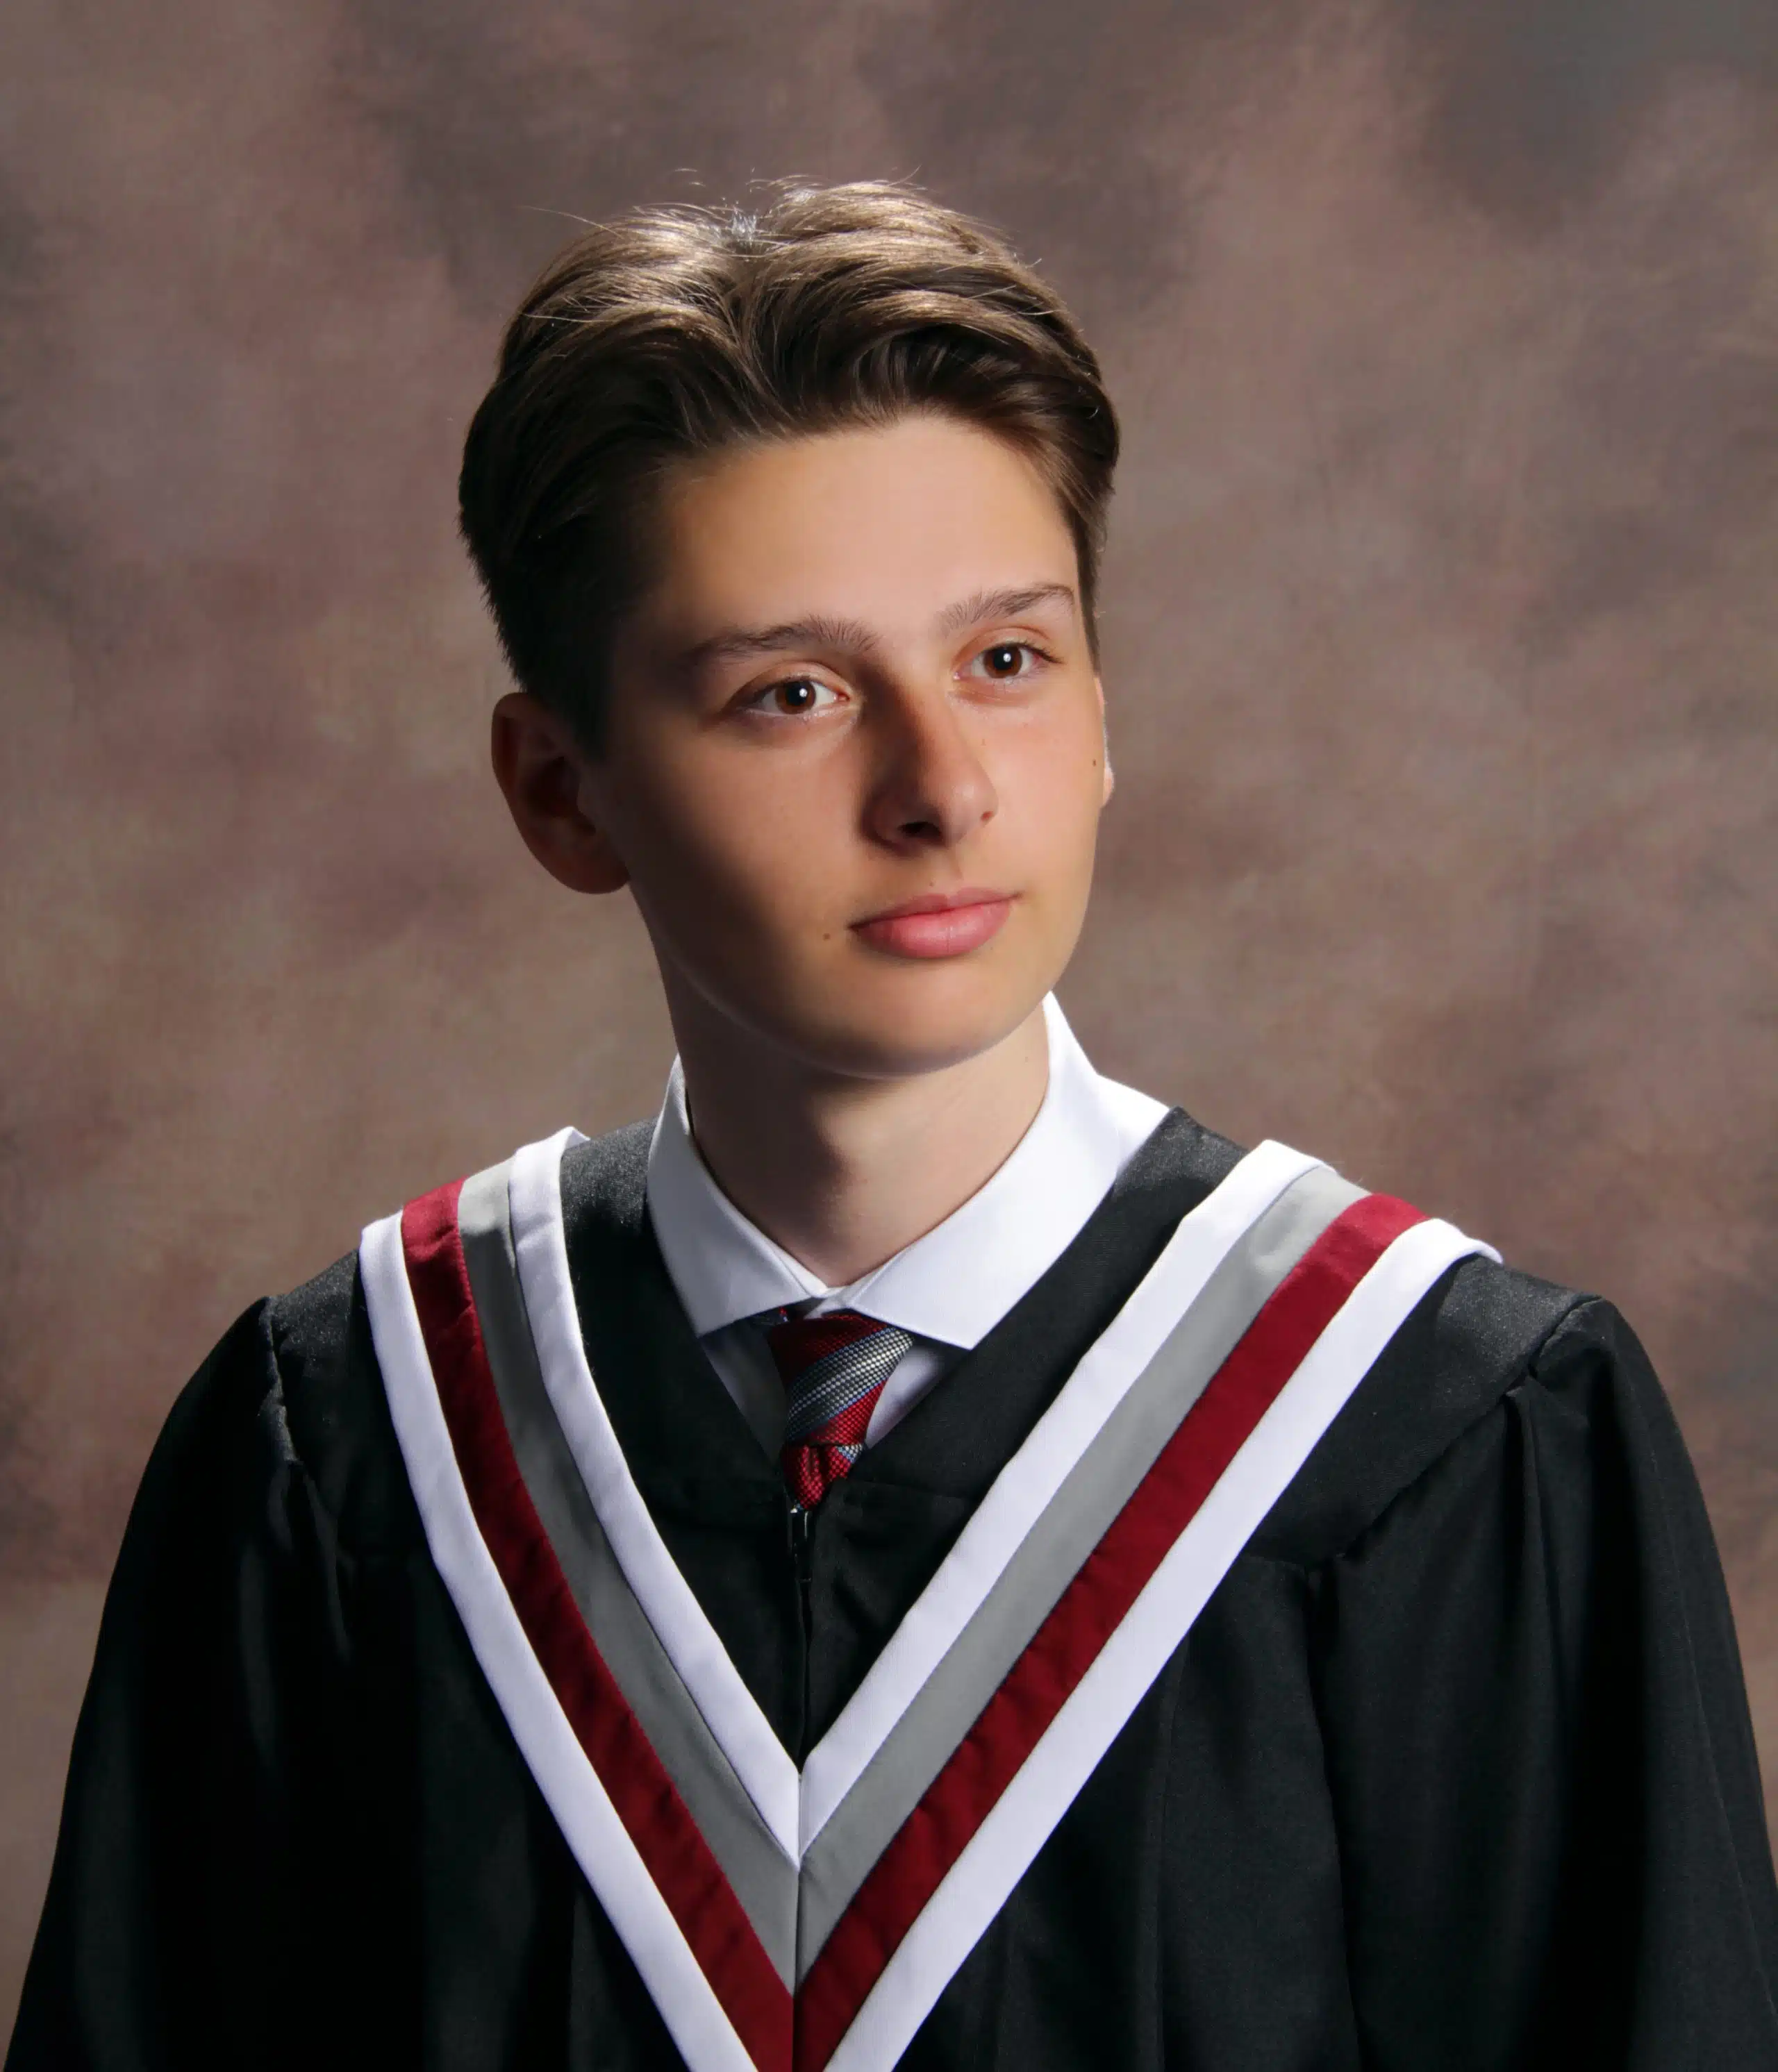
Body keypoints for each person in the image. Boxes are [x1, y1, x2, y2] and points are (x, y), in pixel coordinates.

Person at [10, 180, 1778, 2072]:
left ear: (1101, 710)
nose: (940, 790)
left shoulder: (1446, 1439)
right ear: (561, 792)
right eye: (791, 693)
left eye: (1007, 662)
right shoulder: (352, 1448)